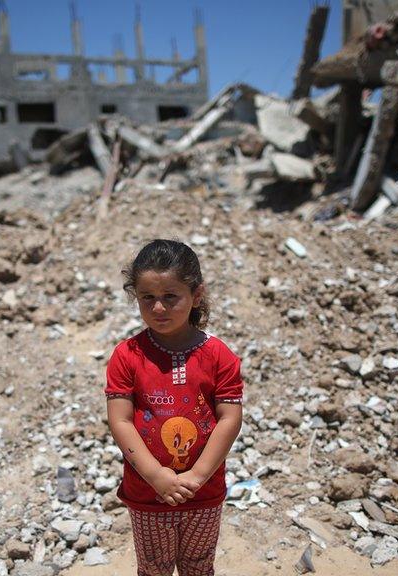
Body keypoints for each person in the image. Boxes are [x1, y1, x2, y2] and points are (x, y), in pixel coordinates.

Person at [105, 239, 244, 576]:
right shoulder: (127, 356)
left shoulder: (218, 355)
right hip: (147, 492)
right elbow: (120, 421)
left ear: (196, 295)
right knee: (154, 568)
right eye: (147, 298)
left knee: (199, 566)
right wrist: (156, 476)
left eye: (170, 297)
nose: (158, 309)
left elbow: (230, 419)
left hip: (204, 491)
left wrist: (197, 476)